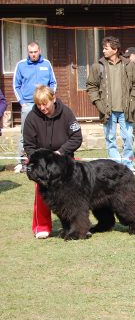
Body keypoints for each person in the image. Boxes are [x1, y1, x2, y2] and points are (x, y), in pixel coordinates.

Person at [23, 85, 83, 239]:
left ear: (53, 99)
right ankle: (42, 226)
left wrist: (60, 152)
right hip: (43, 164)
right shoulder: (31, 118)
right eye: (38, 104)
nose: (42, 108)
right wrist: (37, 160)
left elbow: (76, 137)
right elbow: (29, 145)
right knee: (42, 192)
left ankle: (76, 225)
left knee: (72, 196)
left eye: (45, 104)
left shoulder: (67, 113)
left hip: (65, 162)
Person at [86, 36, 135, 176]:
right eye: (103, 48)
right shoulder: (97, 66)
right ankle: (116, 167)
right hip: (107, 111)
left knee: (128, 138)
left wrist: (133, 99)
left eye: (106, 48)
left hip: (126, 110)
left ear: (115, 50)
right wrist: (98, 103)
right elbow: (91, 86)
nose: (103, 50)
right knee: (110, 139)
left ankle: (128, 166)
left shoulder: (129, 65)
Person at [13, 41, 57, 173]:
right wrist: (22, 102)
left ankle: (47, 160)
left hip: (45, 103)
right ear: (28, 52)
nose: (33, 54)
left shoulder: (46, 63)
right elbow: (16, 85)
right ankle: (22, 162)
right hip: (28, 104)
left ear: (39, 51)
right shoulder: (21, 65)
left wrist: (50, 98)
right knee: (25, 134)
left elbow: (53, 82)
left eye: (35, 52)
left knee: (47, 130)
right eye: (31, 52)